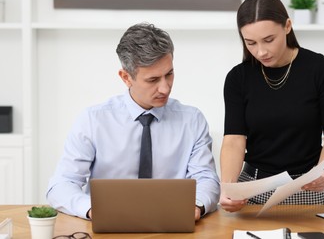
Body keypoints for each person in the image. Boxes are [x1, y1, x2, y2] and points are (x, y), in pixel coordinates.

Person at [47, 22, 220, 221]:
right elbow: (61, 184)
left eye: (169, 74)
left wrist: (195, 205)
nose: (165, 88)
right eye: (153, 80)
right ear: (125, 77)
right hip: (109, 225)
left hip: (172, 224)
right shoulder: (93, 120)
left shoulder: (192, 120)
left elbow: (207, 179)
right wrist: (94, 210)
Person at [219, 0, 324, 212]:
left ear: (287, 26)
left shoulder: (322, 70)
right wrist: (228, 188)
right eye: (250, 43)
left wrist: (320, 172)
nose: (261, 51)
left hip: (308, 187)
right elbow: (234, 140)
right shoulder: (238, 78)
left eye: (269, 40)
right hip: (252, 189)